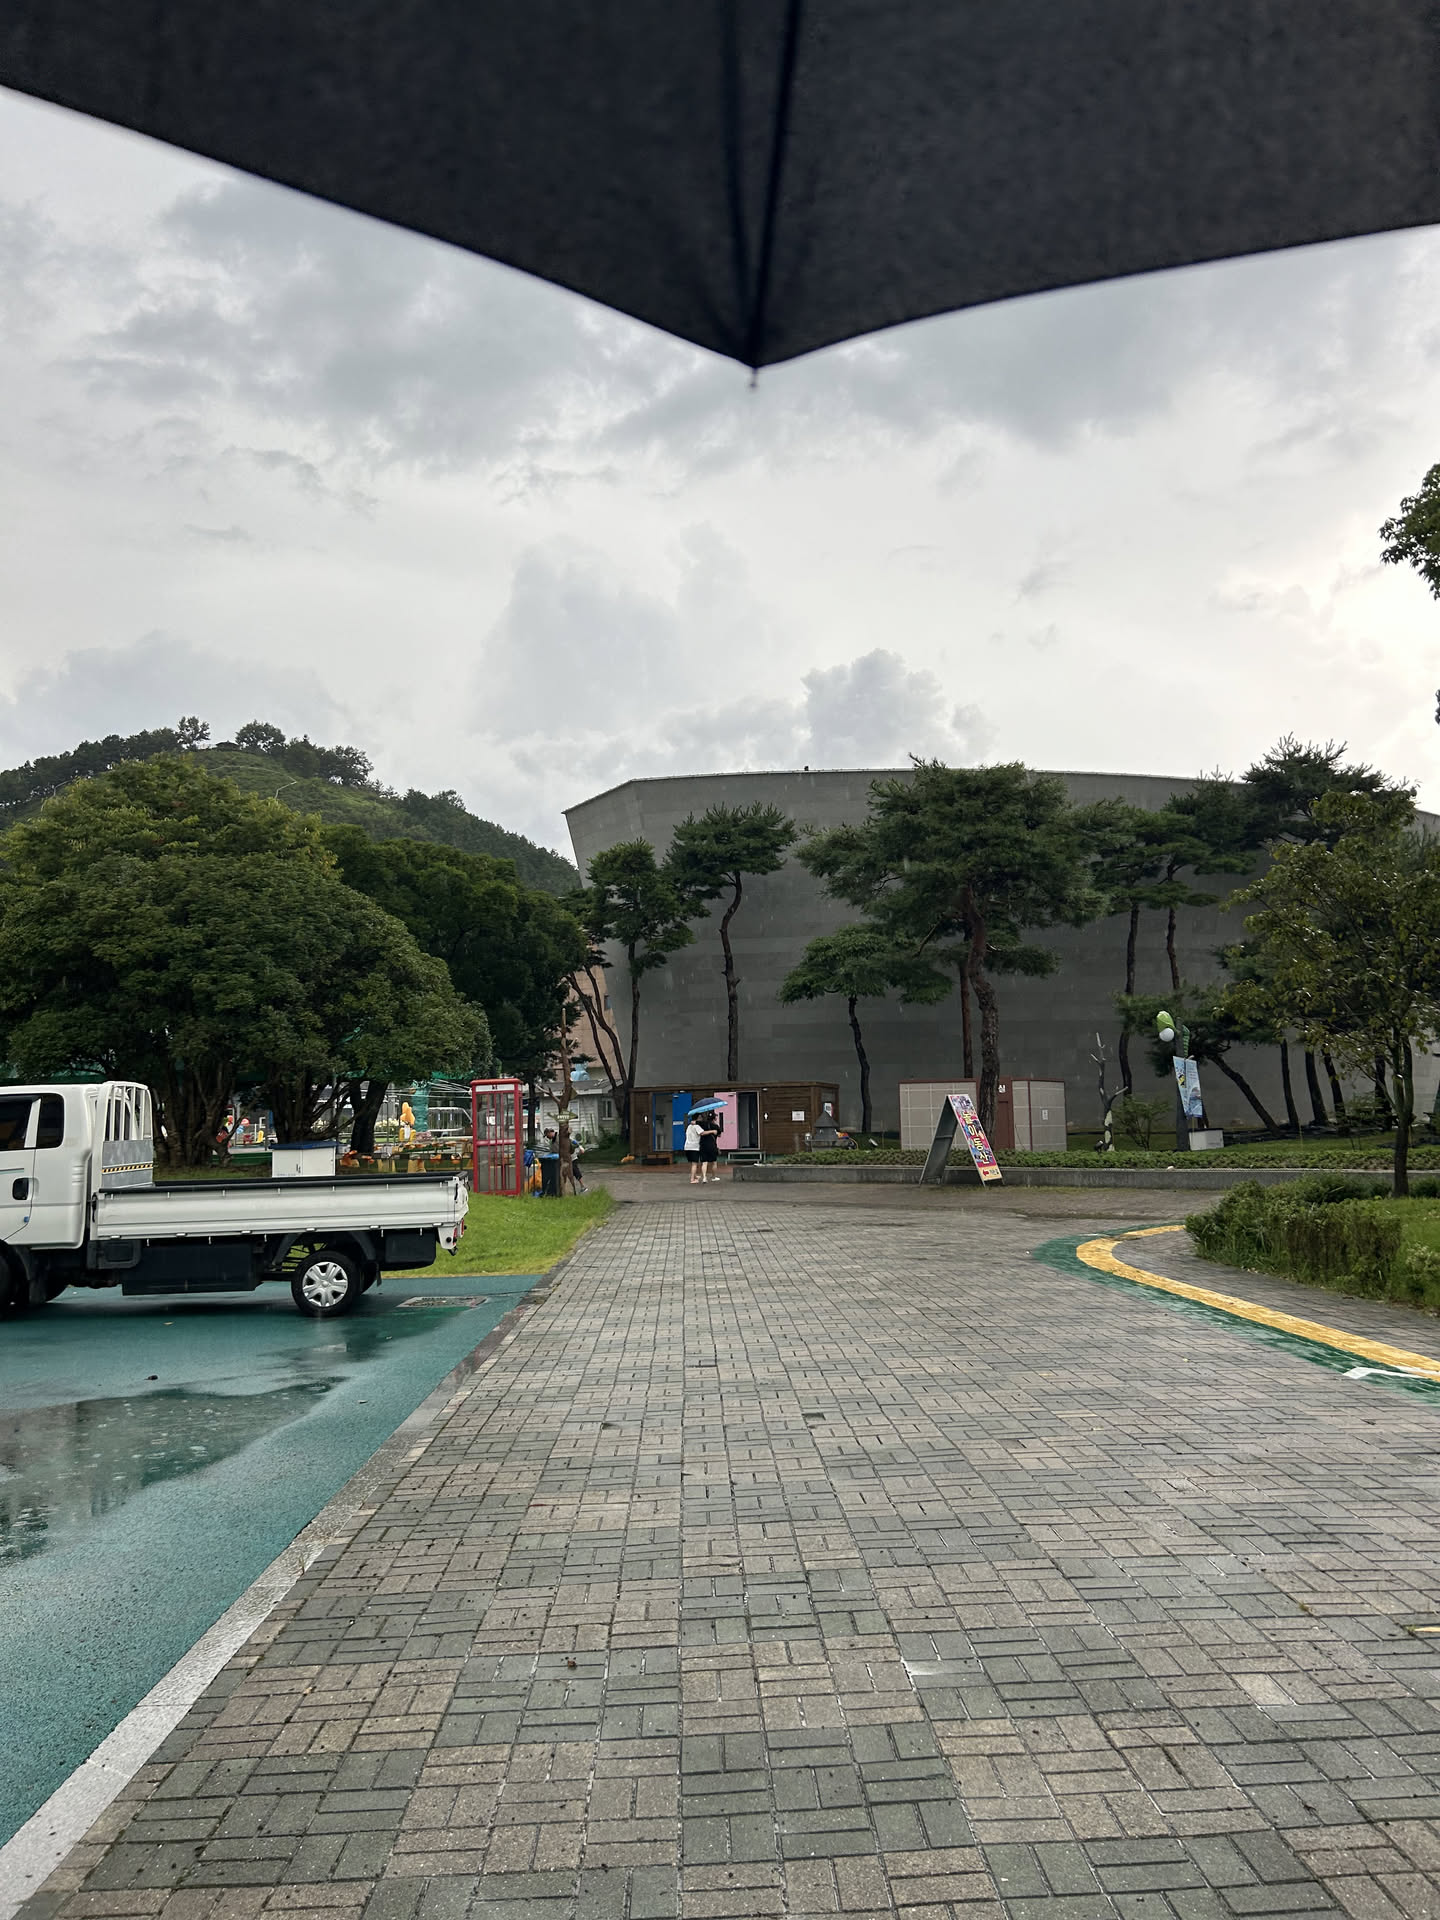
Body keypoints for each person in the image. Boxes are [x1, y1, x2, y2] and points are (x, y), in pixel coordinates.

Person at [698, 1111, 721, 1183]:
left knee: (704, 1162)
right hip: (712, 1146)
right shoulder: (716, 1126)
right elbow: (719, 1135)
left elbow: (694, 1123)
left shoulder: (702, 1124)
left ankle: (704, 1178)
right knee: (714, 1162)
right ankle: (713, 1177)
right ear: (714, 1118)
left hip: (703, 1145)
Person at [684, 1112, 703, 1183]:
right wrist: (712, 1131)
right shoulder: (697, 1126)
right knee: (695, 1163)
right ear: (697, 1118)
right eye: (700, 1117)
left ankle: (694, 1176)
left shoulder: (689, 1126)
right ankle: (692, 1179)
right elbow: (702, 1133)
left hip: (687, 1146)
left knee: (692, 1163)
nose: (701, 1119)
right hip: (694, 1147)